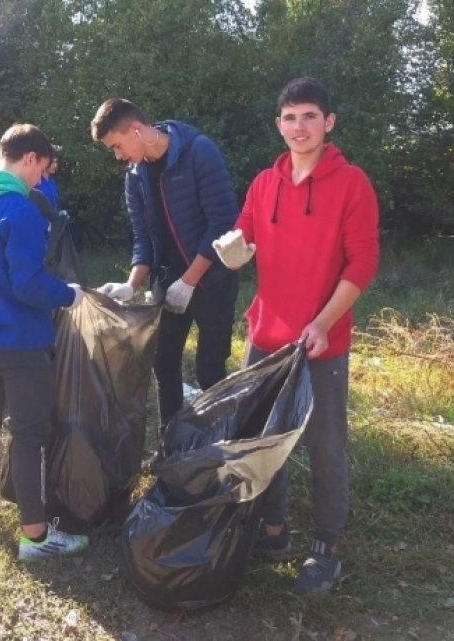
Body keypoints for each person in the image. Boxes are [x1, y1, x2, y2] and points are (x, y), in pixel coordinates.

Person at [213, 77, 379, 596]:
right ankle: (274, 530)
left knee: (325, 446)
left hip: (321, 339)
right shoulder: (265, 183)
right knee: (262, 440)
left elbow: (363, 262)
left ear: (328, 123)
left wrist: (324, 322)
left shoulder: (352, 183)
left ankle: (326, 548)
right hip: (265, 333)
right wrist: (233, 250)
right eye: (289, 117)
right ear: (278, 125)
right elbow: (245, 236)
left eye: (309, 116)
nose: (299, 126)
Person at [0, 123, 89, 562]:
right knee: (31, 434)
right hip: (21, 341)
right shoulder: (20, 210)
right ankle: (36, 535)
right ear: (28, 159)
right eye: (42, 170)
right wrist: (69, 295)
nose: (41, 180)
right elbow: (28, 283)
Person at [90, 99, 239, 463]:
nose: (118, 156)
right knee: (164, 361)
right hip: (166, 279)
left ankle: (218, 448)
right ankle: (170, 447)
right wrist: (132, 283)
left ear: (137, 131)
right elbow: (143, 236)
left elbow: (222, 222)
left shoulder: (198, 152)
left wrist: (190, 281)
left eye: (117, 146)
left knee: (209, 368)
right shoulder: (135, 175)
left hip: (213, 279)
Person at [34, 146, 60, 211]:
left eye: (56, 162)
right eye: (52, 162)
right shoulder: (35, 183)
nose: (55, 165)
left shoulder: (52, 182)